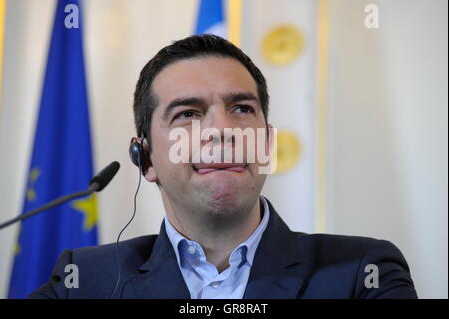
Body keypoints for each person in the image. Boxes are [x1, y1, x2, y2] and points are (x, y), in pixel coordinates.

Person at [29, 35, 417, 299]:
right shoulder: (81, 281)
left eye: (242, 109)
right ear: (145, 159)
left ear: (266, 144)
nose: (222, 131)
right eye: (188, 113)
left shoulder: (363, 273)